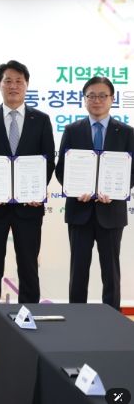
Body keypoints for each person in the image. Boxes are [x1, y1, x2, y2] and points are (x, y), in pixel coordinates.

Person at [0, 60, 55, 344]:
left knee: (28, 268)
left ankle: (27, 324)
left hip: (28, 208)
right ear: (0, 84)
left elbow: (48, 160)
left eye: (19, 81)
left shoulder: (40, 120)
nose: (13, 86)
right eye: (8, 80)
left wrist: (35, 192)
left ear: (26, 85)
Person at [55, 76, 134, 310]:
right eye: (91, 96)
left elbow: (132, 171)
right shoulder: (72, 130)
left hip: (112, 212)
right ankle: (76, 319)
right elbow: (62, 169)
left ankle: (113, 319)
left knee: (111, 272)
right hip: (79, 211)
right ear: (84, 99)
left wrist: (118, 191)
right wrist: (74, 189)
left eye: (102, 96)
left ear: (112, 99)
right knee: (78, 271)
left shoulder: (127, 133)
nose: (97, 100)